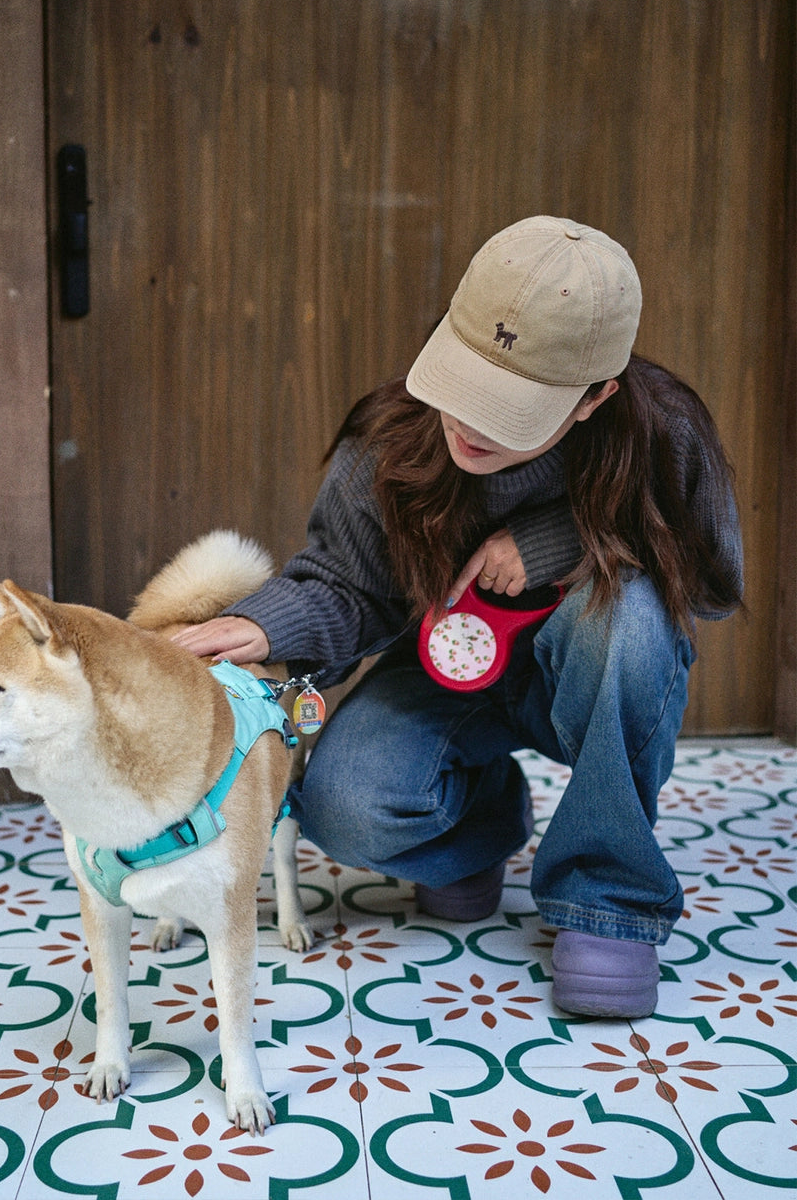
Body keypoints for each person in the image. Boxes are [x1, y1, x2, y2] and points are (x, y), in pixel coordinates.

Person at [174, 215, 743, 1018]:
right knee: (346, 804)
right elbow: (348, 584)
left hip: (591, 664)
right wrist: (268, 627)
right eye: (463, 382)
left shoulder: (662, 434)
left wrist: (558, 540)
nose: (468, 424)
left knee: (630, 616)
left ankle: (607, 895)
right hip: (442, 669)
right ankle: (481, 819)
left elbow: (713, 583)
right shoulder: (392, 443)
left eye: (508, 408)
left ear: (593, 399)